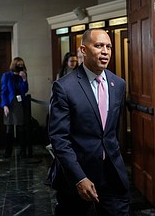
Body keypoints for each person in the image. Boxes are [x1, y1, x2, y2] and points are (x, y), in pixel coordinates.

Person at [48, 28, 130, 216]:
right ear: (83, 50)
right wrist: (79, 178)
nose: (105, 51)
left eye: (108, 47)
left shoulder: (118, 84)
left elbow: (113, 131)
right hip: (77, 175)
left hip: (112, 175)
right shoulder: (64, 87)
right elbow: (59, 139)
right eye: (99, 45)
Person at [0, 57, 29, 158]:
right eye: (18, 64)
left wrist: (24, 79)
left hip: (20, 103)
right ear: (14, 65)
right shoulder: (6, 76)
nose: (20, 66)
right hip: (10, 103)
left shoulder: (23, 75)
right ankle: (8, 151)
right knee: (9, 127)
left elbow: (25, 90)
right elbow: (4, 92)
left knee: (21, 127)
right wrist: (5, 105)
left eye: (22, 64)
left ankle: (22, 151)